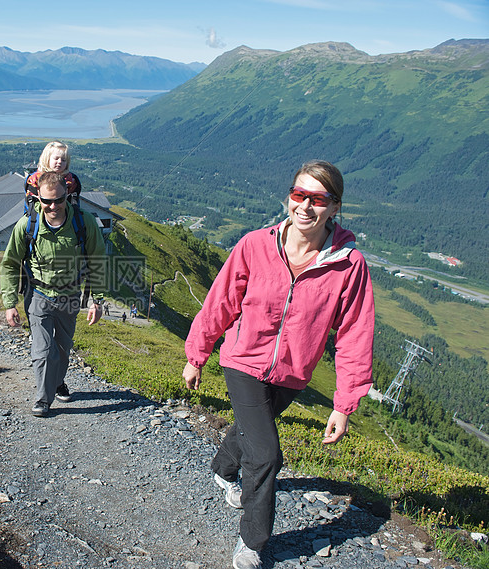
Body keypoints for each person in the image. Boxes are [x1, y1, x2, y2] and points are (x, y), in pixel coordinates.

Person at [182, 160, 374, 569]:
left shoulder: (348, 264)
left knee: (254, 429)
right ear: (289, 196)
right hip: (243, 359)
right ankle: (252, 542)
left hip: (292, 372)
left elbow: (355, 333)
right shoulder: (255, 245)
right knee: (267, 453)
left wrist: (344, 403)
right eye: (299, 194)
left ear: (335, 207)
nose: (305, 206)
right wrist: (197, 354)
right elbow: (221, 302)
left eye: (318, 199)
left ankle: (222, 468)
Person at [1, 172, 106, 417]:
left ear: (67, 196)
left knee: (62, 349)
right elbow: (9, 264)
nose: (53, 206)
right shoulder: (27, 225)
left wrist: (97, 300)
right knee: (43, 350)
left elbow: (98, 261)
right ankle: (43, 399)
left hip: (69, 296)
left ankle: (57, 382)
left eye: (59, 200)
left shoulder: (84, 223)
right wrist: (10, 303)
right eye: (47, 201)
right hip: (37, 295)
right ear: (37, 197)